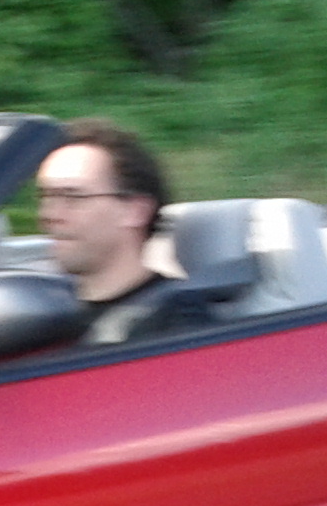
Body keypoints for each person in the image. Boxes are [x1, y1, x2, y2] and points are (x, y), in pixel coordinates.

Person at [34, 119, 217, 346]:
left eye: (73, 197)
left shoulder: (175, 324)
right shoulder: (40, 312)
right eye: (46, 196)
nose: (49, 213)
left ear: (135, 211)